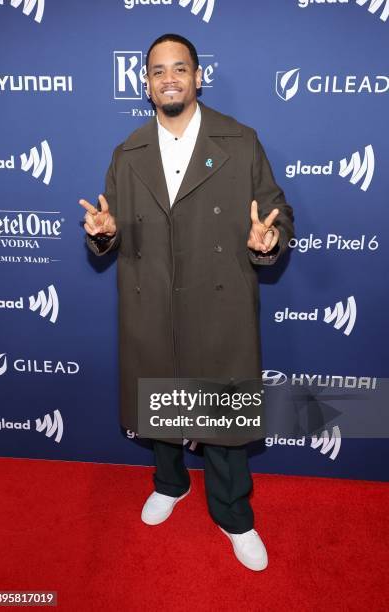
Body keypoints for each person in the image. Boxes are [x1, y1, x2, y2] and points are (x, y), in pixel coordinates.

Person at [79, 33, 294, 572]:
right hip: (153, 303)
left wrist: (269, 239)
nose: (168, 78)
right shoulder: (127, 153)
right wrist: (104, 233)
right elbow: (109, 229)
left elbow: (276, 213)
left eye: (180, 68)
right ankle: (169, 484)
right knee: (160, 399)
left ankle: (233, 514)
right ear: (146, 84)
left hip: (218, 303)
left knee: (222, 417)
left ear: (199, 77)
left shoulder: (241, 142)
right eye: (157, 71)